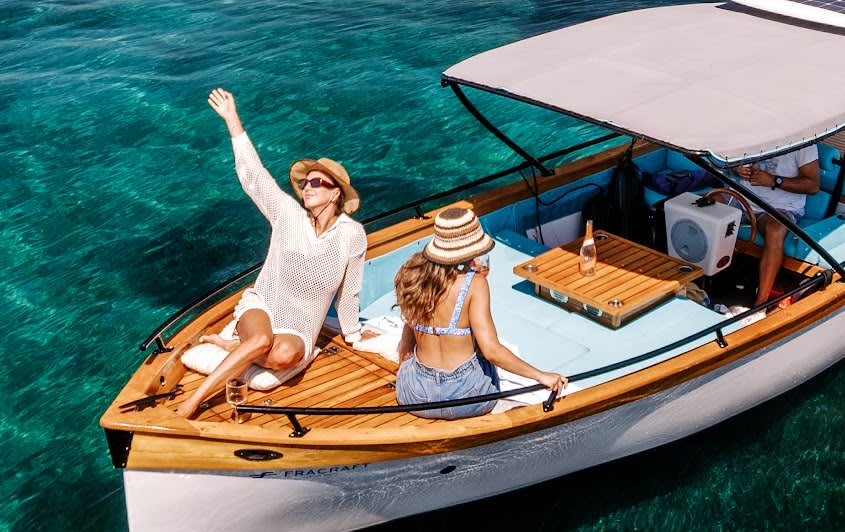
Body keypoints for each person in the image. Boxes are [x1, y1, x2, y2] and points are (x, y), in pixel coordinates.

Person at [168, 88, 368, 420]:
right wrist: (233, 121)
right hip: (263, 305)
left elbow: (350, 291)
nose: (307, 186)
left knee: (285, 353)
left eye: (316, 183)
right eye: (305, 183)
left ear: (336, 194)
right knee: (261, 339)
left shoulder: (352, 235)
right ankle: (195, 401)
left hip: (300, 326)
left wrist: (354, 334)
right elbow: (254, 177)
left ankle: (232, 346)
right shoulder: (287, 215)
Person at [394, 203, 567, 419]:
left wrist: (405, 366)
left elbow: (408, 330)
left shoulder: (415, 277)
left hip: (415, 395)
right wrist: (541, 376)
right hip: (465, 397)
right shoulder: (474, 284)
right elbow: (491, 351)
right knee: (482, 357)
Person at [721, 146, 822, 306]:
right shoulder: (755, 127)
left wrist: (774, 181)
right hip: (741, 197)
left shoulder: (804, 141)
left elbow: (813, 185)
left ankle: (760, 305)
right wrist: (736, 168)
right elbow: (726, 160)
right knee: (700, 204)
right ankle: (690, 277)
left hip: (780, 208)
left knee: (775, 230)